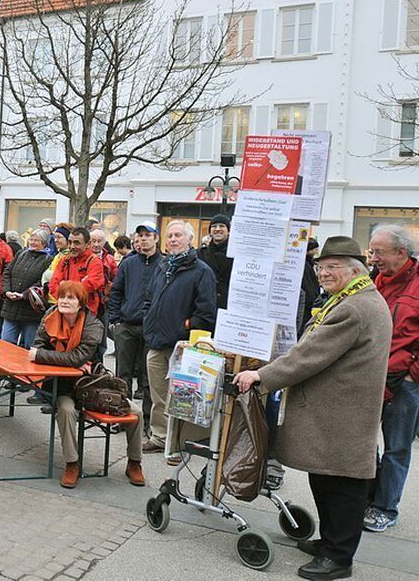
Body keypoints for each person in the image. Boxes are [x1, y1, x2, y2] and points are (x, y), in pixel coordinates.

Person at [234, 237, 392, 581]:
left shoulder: (353, 307)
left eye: (333, 266)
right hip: (336, 414)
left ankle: (339, 558)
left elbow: (309, 355)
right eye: (320, 266)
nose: (323, 273)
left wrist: (261, 375)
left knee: (344, 487)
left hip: (342, 415)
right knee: (327, 481)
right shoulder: (352, 299)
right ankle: (331, 543)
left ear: (355, 270)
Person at [30, 280, 146, 489]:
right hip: (59, 385)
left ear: (81, 303)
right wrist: (59, 358)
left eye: (70, 298)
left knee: (136, 413)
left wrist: (46, 356)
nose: (64, 301)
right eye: (62, 296)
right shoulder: (49, 317)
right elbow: (35, 349)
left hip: (90, 385)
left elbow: (76, 357)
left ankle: (134, 463)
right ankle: (72, 463)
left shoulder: (94, 325)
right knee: (65, 411)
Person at [142, 220, 216, 462]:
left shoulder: (201, 271)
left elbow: (206, 312)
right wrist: (148, 318)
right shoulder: (163, 267)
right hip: (156, 343)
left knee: (181, 400)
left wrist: (185, 326)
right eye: (170, 235)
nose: (172, 239)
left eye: (178, 235)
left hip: (182, 346)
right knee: (158, 396)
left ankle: (176, 446)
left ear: (190, 240)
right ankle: (159, 437)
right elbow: (150, 298)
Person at [364, 225, 419, 534]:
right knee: (365, 441)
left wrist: (413, 373)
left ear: (401, 252)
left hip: (405, 382)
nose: (373, 258)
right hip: (370, 376)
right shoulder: (373, 282)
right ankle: (368, 497)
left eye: (378, 252)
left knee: (397, 447)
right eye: (372, 251)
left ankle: (385, 507)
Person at [107, 223, 161, 433]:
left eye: (147, 235)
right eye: (140, 236)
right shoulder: (128, 264)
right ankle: (122, 416)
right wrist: (116, 320)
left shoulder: (164, 264)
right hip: (127, 326)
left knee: (149, 379)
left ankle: (147, 423)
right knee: (123, 375)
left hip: (152, 329)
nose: (143, 239)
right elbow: (116, 292)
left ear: (156, 238)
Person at [0, 229, 51, 348]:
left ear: (44, 243)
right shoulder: (21, 254)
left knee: (29, 346)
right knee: (7, 343)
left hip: (31, 310)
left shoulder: (48, 260)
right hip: (11, 307)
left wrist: (24, 295)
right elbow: (7, 272)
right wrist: (7, 291)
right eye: (31, 239)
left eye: (37, 240)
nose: (32, 242)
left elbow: (42, 282)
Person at [48, 227, 104, 318]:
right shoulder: (64, 260)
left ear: (88, 244)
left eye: (77, 243)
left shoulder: (94, 262)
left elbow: (92, 284)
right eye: (70, 242)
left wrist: (64, 287)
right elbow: (53, 285)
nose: (72, 246)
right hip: (64, 311)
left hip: (86, 312)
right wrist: (78, 286)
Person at [197, 213, 233, 311]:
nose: (217, 229)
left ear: (229, 231)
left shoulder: (236, 254)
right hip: (207, 307)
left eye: (222, 226)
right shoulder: (200, 253)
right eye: (214, 226)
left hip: (229, 307)